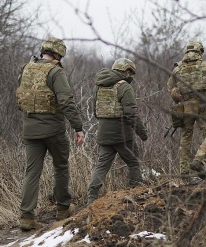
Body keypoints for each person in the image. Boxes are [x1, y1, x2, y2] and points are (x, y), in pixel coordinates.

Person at [16, 37, 85, 230]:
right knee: (61, 166)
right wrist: (78, 127)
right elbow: (66, 101)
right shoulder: (55, 72)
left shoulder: (26, 69)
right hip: (53, 130)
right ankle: (63, 208)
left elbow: (20, 98)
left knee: (32, 173)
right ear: (56, 54)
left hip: (30, 130)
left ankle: (26, 217)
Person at [86, 58, 148, 205]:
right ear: (126, 71)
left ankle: (91, 198)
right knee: (133, 162)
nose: (131, 76)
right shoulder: (124, 87)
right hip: (122, 135)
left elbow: (96, 111)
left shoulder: (99, 86)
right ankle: (136, 192)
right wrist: (142, 133)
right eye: (130, 73)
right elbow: (131, 114)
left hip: (103, 133)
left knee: (101, 166)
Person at [167, 41, 206, 184]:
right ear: (200, 52)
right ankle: (199, 159)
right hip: (203, 106)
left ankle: (184, 175)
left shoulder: (177, 69)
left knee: (185, 139)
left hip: (186, 108)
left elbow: (170, 89)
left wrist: (180, 96)